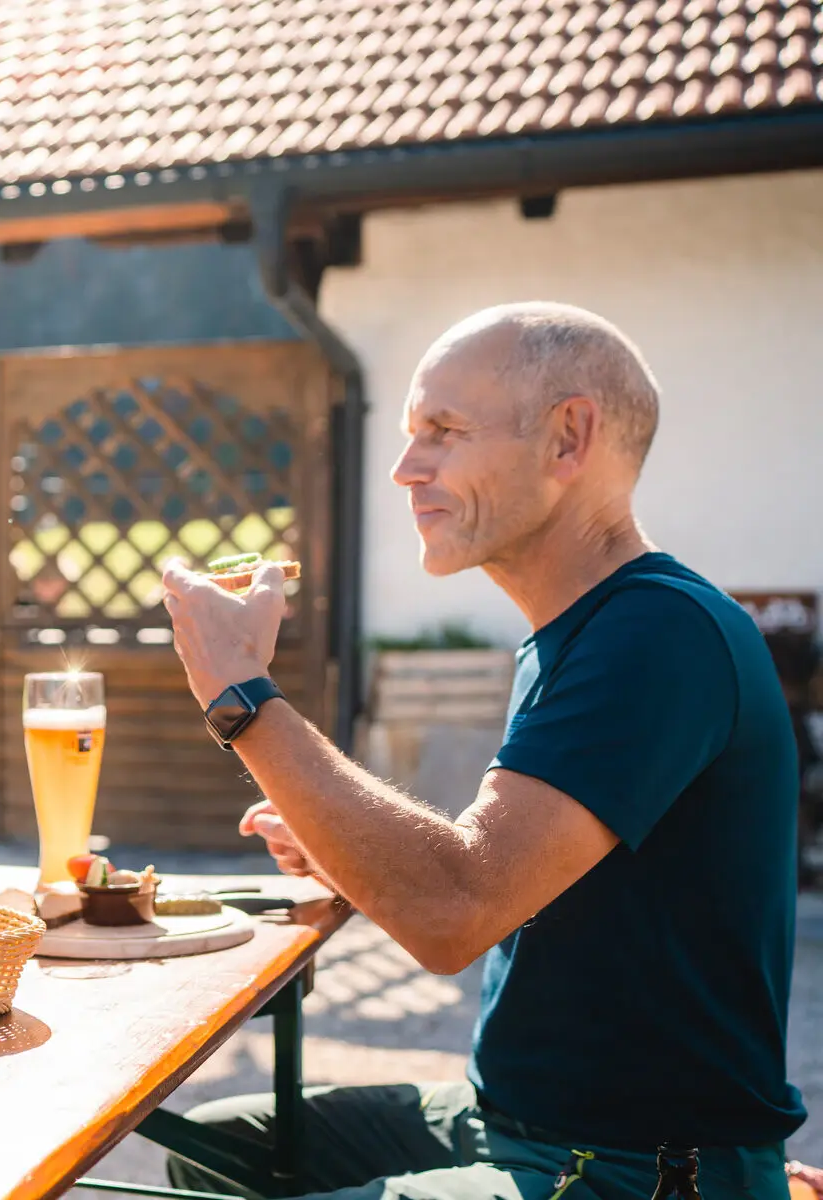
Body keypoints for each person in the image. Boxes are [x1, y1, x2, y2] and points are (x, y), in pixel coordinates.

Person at [159, 303, 803, 1198]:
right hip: (517, 1118)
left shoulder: (660, 633)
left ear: (568, 437)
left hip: (637, 1165)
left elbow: (455, 909)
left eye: (444, 432)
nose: (403, 467)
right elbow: (529, 876)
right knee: (219, 1145)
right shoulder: (576, 633)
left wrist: (243, 695)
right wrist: (348, 851)